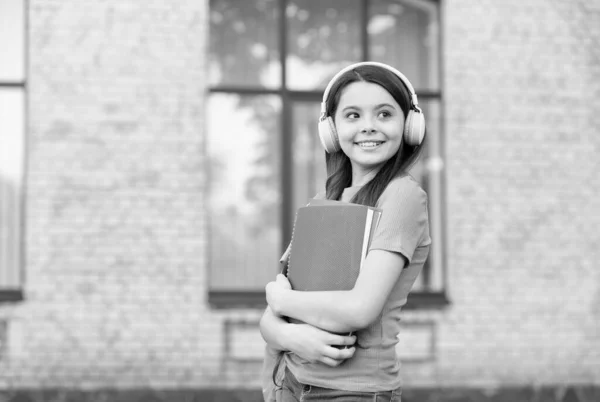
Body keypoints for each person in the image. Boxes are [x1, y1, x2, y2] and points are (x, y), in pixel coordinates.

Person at [260, 61, 431, 401]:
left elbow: (359, 309)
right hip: (290, 381)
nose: (368, 126)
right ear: (332, 129)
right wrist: (292, 337)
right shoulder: (324, 200)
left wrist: (280, 299)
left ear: (409, 125)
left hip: (350, 392)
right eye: (353, 115)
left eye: (384, 114)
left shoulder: (402, 195)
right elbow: (269, 322)